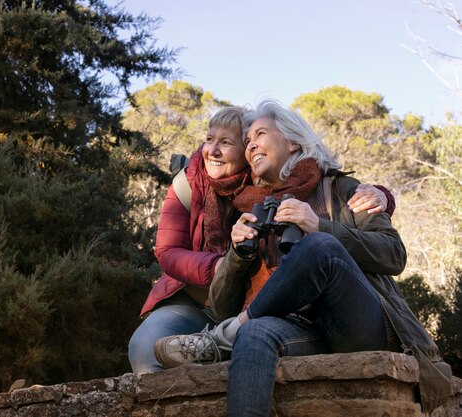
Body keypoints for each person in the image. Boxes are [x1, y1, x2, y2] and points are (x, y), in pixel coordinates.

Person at [152, 99, 452, 416]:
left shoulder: (342, 189)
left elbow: (394, 254)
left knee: (320, 246)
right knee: (255, 333)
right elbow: (222, 305)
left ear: (294, 141)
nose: (252, 145)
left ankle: (226, 336)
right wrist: (238, 254)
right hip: (302, 332)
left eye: (261, 134)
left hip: (361, 326)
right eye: (248, 141)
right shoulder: (253, 212)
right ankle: (238, 333)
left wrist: (317, 225)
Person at [128, 106, 394, 374]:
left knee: (259, 329)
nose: (213, 151)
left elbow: (370, 229)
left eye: (227, 142)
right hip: (196, 300)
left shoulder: (268, 187)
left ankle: (228, 337)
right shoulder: (192, 183)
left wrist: (382, 196)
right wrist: (225, 263)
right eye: (209, 140)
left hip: (271, 312)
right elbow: (167, 251)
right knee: (146, 348)